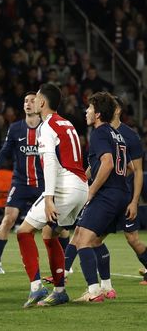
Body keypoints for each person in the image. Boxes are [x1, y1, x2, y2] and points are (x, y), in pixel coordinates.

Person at [15, 83, 88, 307]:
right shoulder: (66, 123)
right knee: (49, 233)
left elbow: (50, 163)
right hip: (81, 187)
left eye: (36, 98)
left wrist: (48, 198)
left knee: (24, 232)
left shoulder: (46, 127)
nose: (33, 101)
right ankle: (59, 291)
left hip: (64, 187)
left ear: (43, 102)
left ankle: (36, 287)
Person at [64, 96, 147, 287]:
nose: (86, 111)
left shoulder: (112, 134)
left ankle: (92, 289)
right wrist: (85, 179)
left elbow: (129, 169)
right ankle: (101, 284)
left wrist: (93, 190)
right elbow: (119, 166)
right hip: (118, 193)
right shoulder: (115, 134)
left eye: (90, 108)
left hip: (110, 195)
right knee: (91, 238)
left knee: (125, 239)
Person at [0, 92, 44, 274]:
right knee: (8, 219)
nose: (28, 103)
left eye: (32, 101)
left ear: (40, 104)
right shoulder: (16, 128)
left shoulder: (47, 128)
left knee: (55, 224)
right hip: (20, 183)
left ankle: (66, 264)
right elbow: (4, 151)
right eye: (26, 101)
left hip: (43, 183)